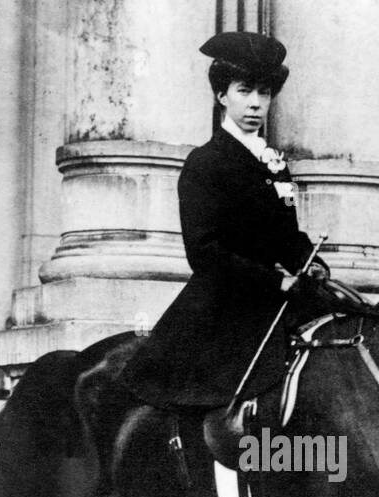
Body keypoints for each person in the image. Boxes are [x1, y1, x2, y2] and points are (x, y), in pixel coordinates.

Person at [121, 30, 337, 412]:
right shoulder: (206, 162)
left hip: (282, 296)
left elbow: (287, 235)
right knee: (232, 401)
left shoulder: (275, 164)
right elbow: (204, 253)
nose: (256, 103)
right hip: (226, 302)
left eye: (265, 93)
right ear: (222, 95)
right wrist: (275, 280)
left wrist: (309, 262)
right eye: (244, 90)